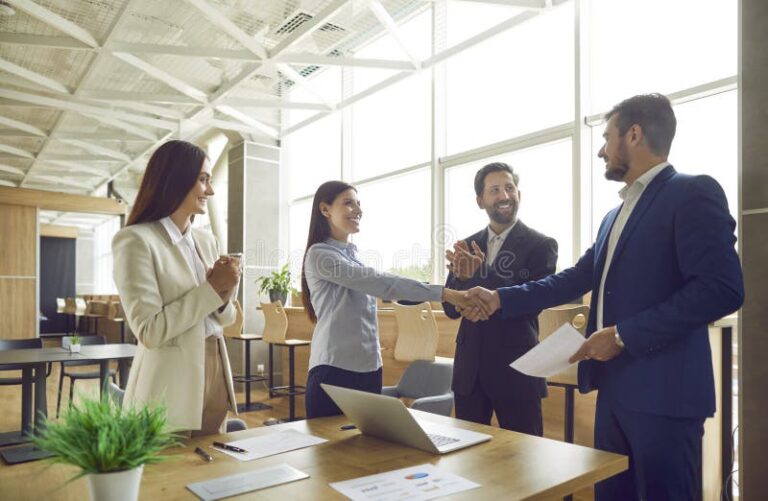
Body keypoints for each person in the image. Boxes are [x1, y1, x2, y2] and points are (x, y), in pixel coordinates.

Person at [460, 94, 744, 500]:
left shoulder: (692, 192)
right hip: (614, 393)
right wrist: (500, 299)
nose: (601, 149)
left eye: (608, 137)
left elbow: (722, 289)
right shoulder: (614, 215)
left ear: (634, 134)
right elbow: (576, 278)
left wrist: (624, 334)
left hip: (665, 395)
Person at [301, 180, 476, 419]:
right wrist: (446, 293)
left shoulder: (354, 258)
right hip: (333, 370)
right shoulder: (319, 255)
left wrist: (454, 281)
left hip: (370, 369)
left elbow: (390, 288)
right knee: (327, 451)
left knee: (366, 451)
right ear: (325, 210)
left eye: (359, 204)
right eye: (349, 203)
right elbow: (383, 283)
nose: (358, 210)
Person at [112, 140, 241, 435]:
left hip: (216, 366)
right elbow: (149, 331)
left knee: (212, 470)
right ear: (176, 179)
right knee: (169, 476)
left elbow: (226, 318)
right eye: (203, 179)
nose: (210, 190)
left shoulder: (207, 242)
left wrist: (225, 295)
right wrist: (212, 289)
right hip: (169, 383)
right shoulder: (135, 241)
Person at [443, 162, 557, 436]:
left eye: (509, 188)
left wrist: (479, 273)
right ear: (480, 200)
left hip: (517, 370)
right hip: (470, 373)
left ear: (519, 194)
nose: (504, 196)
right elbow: (449, 308)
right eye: (494, 190)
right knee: (468, 461)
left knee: (524, 462)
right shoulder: (465, 245)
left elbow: (531, 302)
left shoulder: (541, 245)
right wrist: (464, 294)